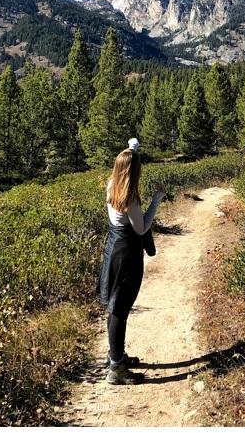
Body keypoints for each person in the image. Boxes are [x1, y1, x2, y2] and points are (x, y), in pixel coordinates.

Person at [97, 138, 165, 385]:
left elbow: (127, 157)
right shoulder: (130, 200)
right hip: (127, 255)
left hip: (113, 250)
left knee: (115, 306)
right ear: (134, 173)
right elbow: (141, 228)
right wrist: (157, 199)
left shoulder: (111, 185)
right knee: (120, 310)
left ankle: (115, 355)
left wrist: (132, 149)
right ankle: (116, 368)